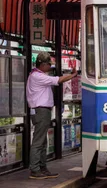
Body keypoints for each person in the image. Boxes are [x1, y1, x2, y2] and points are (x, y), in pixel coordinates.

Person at [26, 52, 78, 180]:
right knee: (39, 141)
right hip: (41, 111)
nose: (50, 67)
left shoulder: (37, 74)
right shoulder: (37, 76)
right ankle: (35, 169)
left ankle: (42, 168)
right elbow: (58, 80)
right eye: (49, 64)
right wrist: (73, 75)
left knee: (42, 141)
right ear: (43, 64)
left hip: (42, 111)